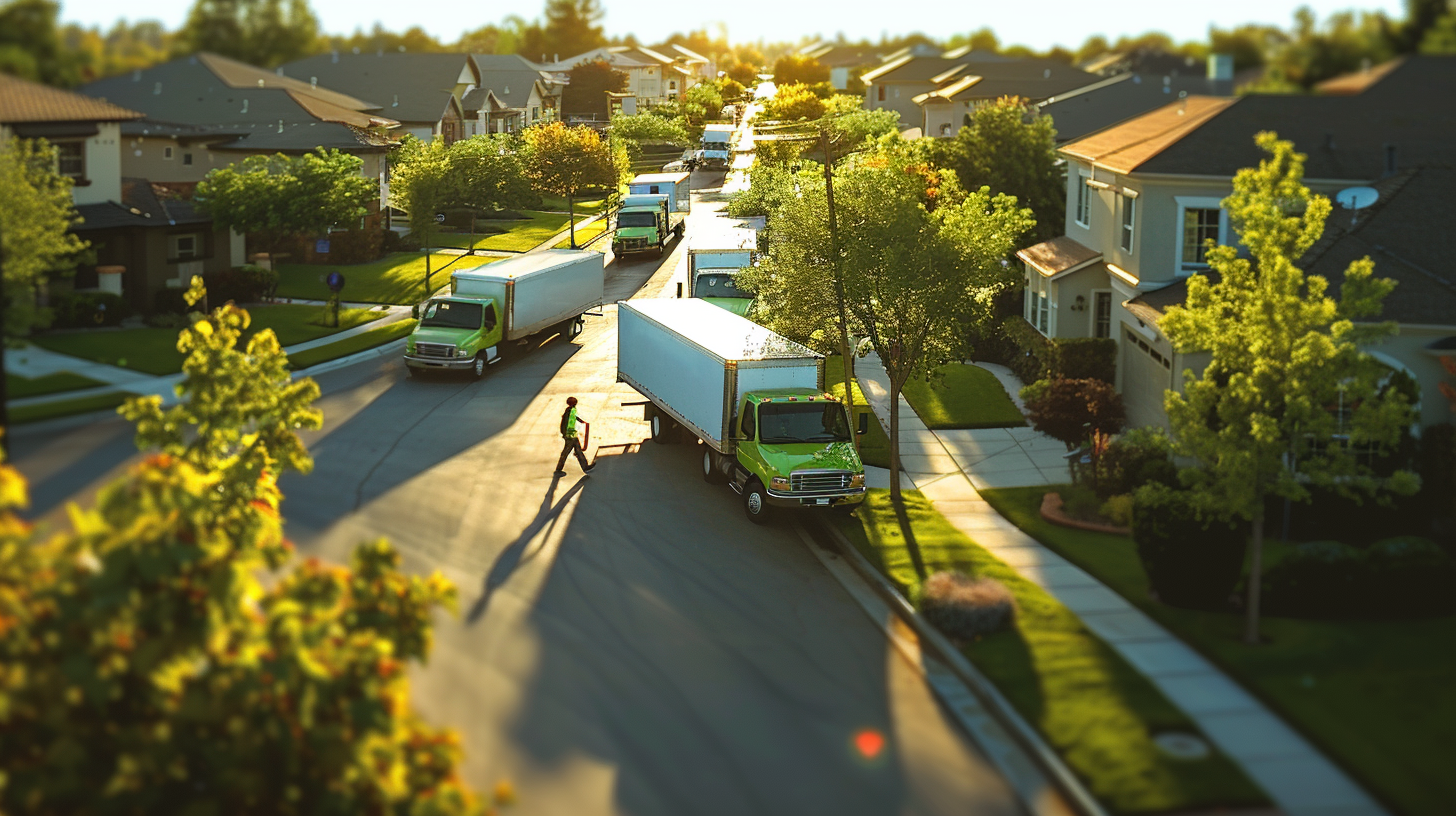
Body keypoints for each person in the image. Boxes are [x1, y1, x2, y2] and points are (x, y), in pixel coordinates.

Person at [555, 396, 595, 477]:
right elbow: (565, 422)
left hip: (572, 434)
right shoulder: (569, 411)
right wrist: (565, 434)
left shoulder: (571, 410)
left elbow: (573, 417)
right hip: (569, 435)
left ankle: (585, 467)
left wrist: (581, 421)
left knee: (578, 451)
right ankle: (558, 469)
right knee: (566, 452)